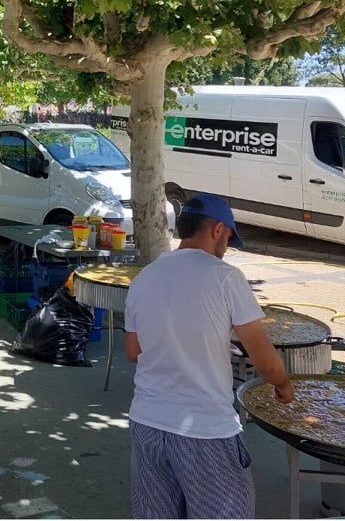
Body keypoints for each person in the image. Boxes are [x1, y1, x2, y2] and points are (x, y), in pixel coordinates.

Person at [123, 194, 294, 519]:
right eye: (228, 238)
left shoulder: (143, 279)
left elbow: (133, 352)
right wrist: (283, 384)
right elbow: (264, 359)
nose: (227, 247)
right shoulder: (225, 278)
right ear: (218, 229)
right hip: (205, 431)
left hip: (147, 424)